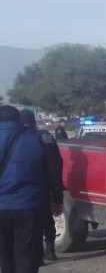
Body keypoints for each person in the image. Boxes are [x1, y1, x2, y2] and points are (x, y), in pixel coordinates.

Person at [0, 105, 64, 273]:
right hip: (30, 206)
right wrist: (57, 198)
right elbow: (54, 170)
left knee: (5, 251)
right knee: (26, 251)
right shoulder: (37, 140)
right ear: (19, 120)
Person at [19, 110, 64, 262]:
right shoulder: (45, 137)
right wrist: (59, 197)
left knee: (31, 223)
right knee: (47, 219)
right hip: (46, 186)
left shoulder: (19, 139)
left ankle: (37, 255)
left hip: (26, 189)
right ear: (34, 122)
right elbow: (56, 167)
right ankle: (50, 250)